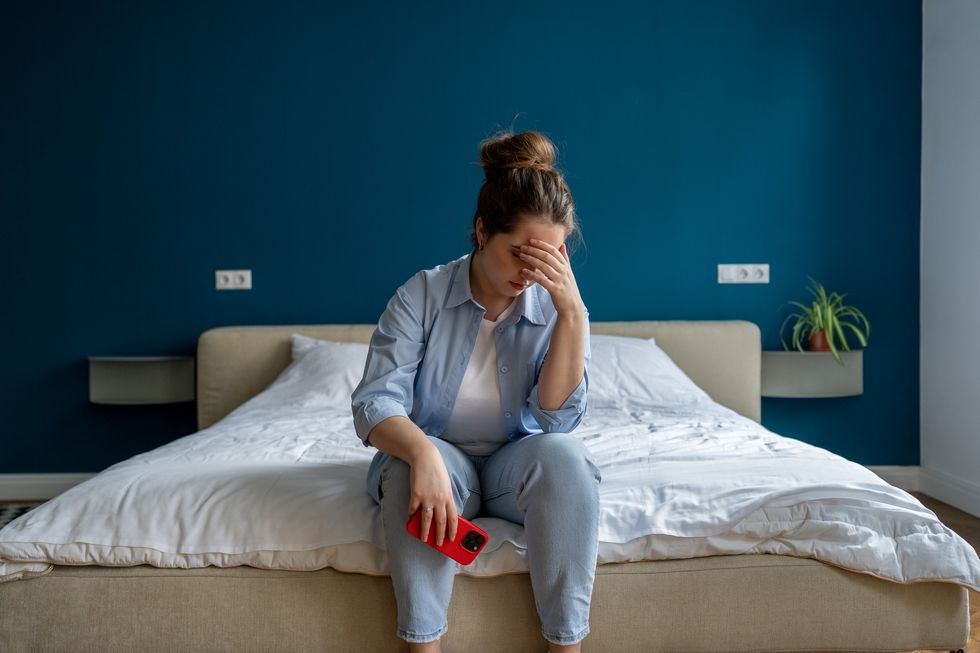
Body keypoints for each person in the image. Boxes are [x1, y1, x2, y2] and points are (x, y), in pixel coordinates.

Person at [351, 130, 601, 653]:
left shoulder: (556, 308)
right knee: (404, 468)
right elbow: (375, 402)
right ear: (482, 230)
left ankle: (566, 646)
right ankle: (424, 646)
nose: (531, 273)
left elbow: (555, 422)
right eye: (518, 254)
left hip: (517, 465)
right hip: (441, 459)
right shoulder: (422, 294)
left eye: (549, 258)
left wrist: (572, 315)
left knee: (566, 457)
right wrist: (421, 452)